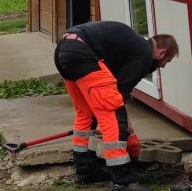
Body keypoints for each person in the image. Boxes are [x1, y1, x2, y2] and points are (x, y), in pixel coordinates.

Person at [55, 20, 180, 190]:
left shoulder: (131, 45)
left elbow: (112, 87)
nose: (163, 66)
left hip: (64, 49)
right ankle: (122, 181)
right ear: (162, 52)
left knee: (86, 113)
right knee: (113, 116)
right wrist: (129, 132)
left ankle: (85, 171)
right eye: (167, 61)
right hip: (83, 53)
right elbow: (118, 95)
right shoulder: (144, 54)